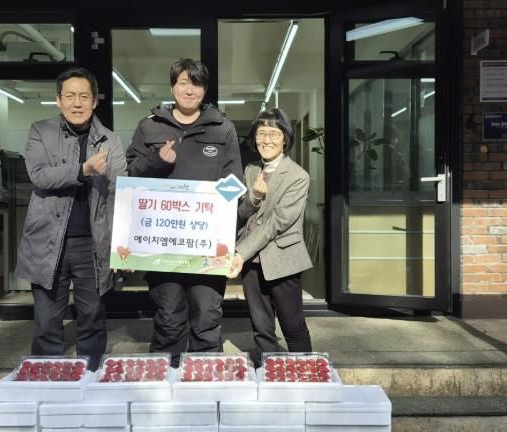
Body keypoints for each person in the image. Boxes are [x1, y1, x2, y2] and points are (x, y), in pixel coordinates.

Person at [126, 58, 243, 366]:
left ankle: (205, 386)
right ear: (172, 87)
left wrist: (217, 220)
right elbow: (130, 177)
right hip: (162, 245)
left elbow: (235, 183)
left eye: (196, 84)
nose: (189, 90)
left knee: (206, 318)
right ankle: (163, 386)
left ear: (205, 90)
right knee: (168, 319)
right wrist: (155, 161)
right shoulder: (149, 127)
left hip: (206, 244)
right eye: (183, 83)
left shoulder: (223, 128)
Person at [16, 67, 127, 370]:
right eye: (70, 96)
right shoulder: (41, 131)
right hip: (47, 242)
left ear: (94, 101)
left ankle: (90, 378)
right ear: (58, 99)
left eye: (84, 96)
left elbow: (119, 193)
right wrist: (83, 170)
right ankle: (47, 379)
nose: (77, 103)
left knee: (92, 318)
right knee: (47, 320)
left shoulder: (110, 141)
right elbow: (39, 176)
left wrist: (122, 243)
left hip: (92, 245)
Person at [228, 108, 312, 365]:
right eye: (261, 133)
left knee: (293, 326)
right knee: (261, 327)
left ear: (285, 138)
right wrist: (253, 197)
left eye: (273, 134)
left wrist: (241, 252)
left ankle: (306, 374)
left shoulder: (298, 176)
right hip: (252, 262)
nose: (266, 140)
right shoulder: (251, 169)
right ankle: (269, 371)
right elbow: (241, 215)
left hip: (282, 259)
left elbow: (278, 222)